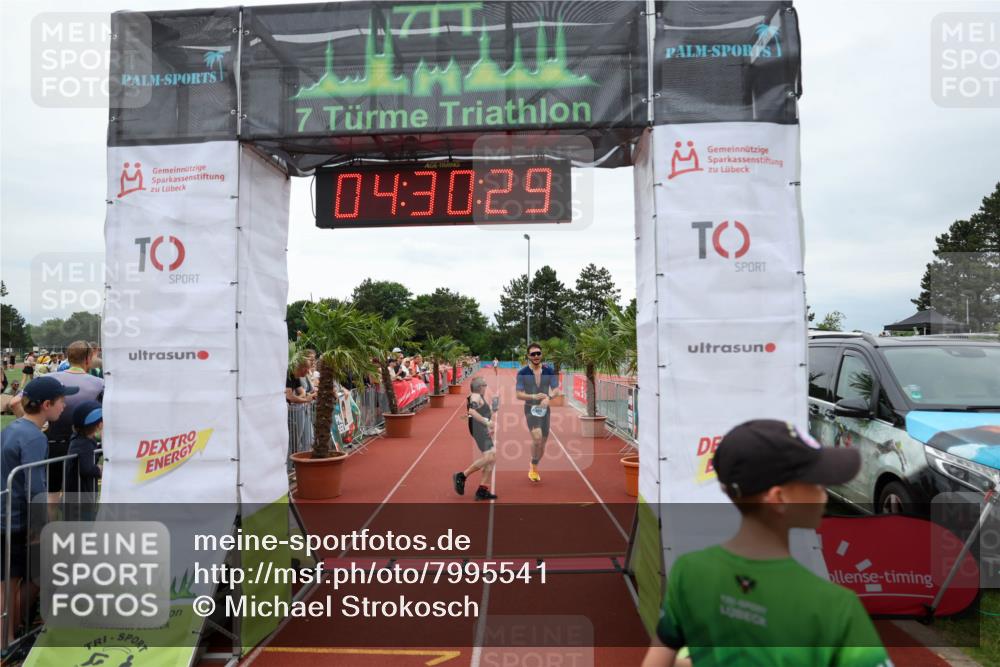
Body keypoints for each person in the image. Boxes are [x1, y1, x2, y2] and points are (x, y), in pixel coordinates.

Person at [641, 419, 891, 667]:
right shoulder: (835, 606)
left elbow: (660, 655)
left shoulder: (688, 571)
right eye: (816, 482)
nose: (824, 492)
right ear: (778, 498)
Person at [0, 376, 77, 646]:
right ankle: (7, 641)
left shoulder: (15, 429)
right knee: (19, 579)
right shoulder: (33, 438)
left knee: (10, 581)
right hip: (16, 519)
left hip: (8, 515)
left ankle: (11, 634)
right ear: (46, 405)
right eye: (61, 401)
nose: (65, 406)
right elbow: (36, 488)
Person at [45, 341, 104, 504]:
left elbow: (15, 402)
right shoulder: (100, 384)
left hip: (53, 443)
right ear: (88, 358)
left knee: (52, 495)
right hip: (84, 445)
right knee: (81, 498)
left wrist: (35, 428)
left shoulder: (48, 378)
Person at [515, 343, 560, 482]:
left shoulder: (548, 370)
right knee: (537, 438)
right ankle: (534, 469)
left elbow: (556, 389)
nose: (536, 356)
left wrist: (549, 397)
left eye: (538, 353)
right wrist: (533, 397)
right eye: (533, 354)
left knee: (543, 442)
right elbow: (518, 394)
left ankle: (533, 463)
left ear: (541, 354)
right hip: (530, 408)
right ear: (528, 356)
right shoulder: (522, 373)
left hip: (545, 409)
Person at [453, 376, 498, 501]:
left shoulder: (477, 397)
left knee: (491, 458)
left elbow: (474, 412)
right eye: (484, 385)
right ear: (480, 387)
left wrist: (489, 422)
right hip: (479, 430)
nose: (486, 387)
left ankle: (482, 489)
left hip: (481, 430)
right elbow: (472, 411)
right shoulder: (476, 396)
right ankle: (462, 475)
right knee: (490, 457)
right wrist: (487, 423)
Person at [65, 400, 103, 520]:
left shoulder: (82, 439)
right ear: (98, 424)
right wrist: (99, 470)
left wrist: (103, 446)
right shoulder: (83, 444)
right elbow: (86, 468)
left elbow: (92, 454)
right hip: (80, 497)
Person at [286, 359, 315, 461]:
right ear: (302, 368)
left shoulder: (296, 376)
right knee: (293, 441)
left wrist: (302, 399)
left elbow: (301, 392)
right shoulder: (289, 374)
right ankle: (291, 466)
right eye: (307, 369)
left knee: (300, 439)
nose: (308, 372)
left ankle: (294, 464)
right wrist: (304, 400)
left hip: (296, 410)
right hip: (289, 412)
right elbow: (289, 396)